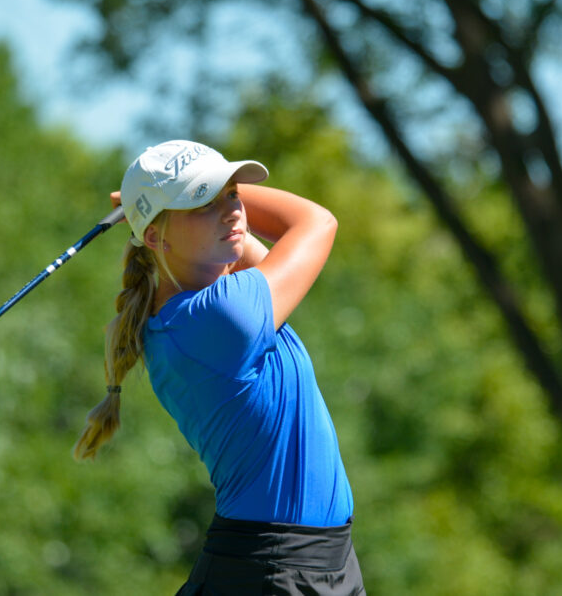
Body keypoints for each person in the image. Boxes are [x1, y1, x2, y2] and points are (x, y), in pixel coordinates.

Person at [73, 139, 364, 595]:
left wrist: (168, 205)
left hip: (310, 562)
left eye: (232, 193)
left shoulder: (195, 307)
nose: (232, 210)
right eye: (202, 203)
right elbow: (316, 222)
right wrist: (146, 204)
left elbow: (244, 244)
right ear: (155, 236)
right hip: (274, 571)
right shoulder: (220, 316)